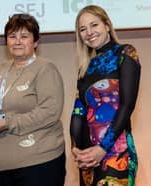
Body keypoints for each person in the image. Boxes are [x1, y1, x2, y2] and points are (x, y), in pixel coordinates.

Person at [0, 13, 66, 186]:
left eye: (24, 36)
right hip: (3, 164)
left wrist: (8, 122)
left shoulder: (45, 68)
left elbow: (50, 112)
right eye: (12, 36)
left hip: (39, 162)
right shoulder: (0, 70)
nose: (17, 41)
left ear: (36, 42)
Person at [70, 5, 141, 186]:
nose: (89, 32)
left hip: (117, 152)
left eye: (94, 25)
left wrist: (102, 148)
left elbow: (127, 106)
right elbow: (78, 113)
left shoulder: (125, 54)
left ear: (107, 25)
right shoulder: (85, 68)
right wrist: (77, 150)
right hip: (88, 158)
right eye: (83, 29)